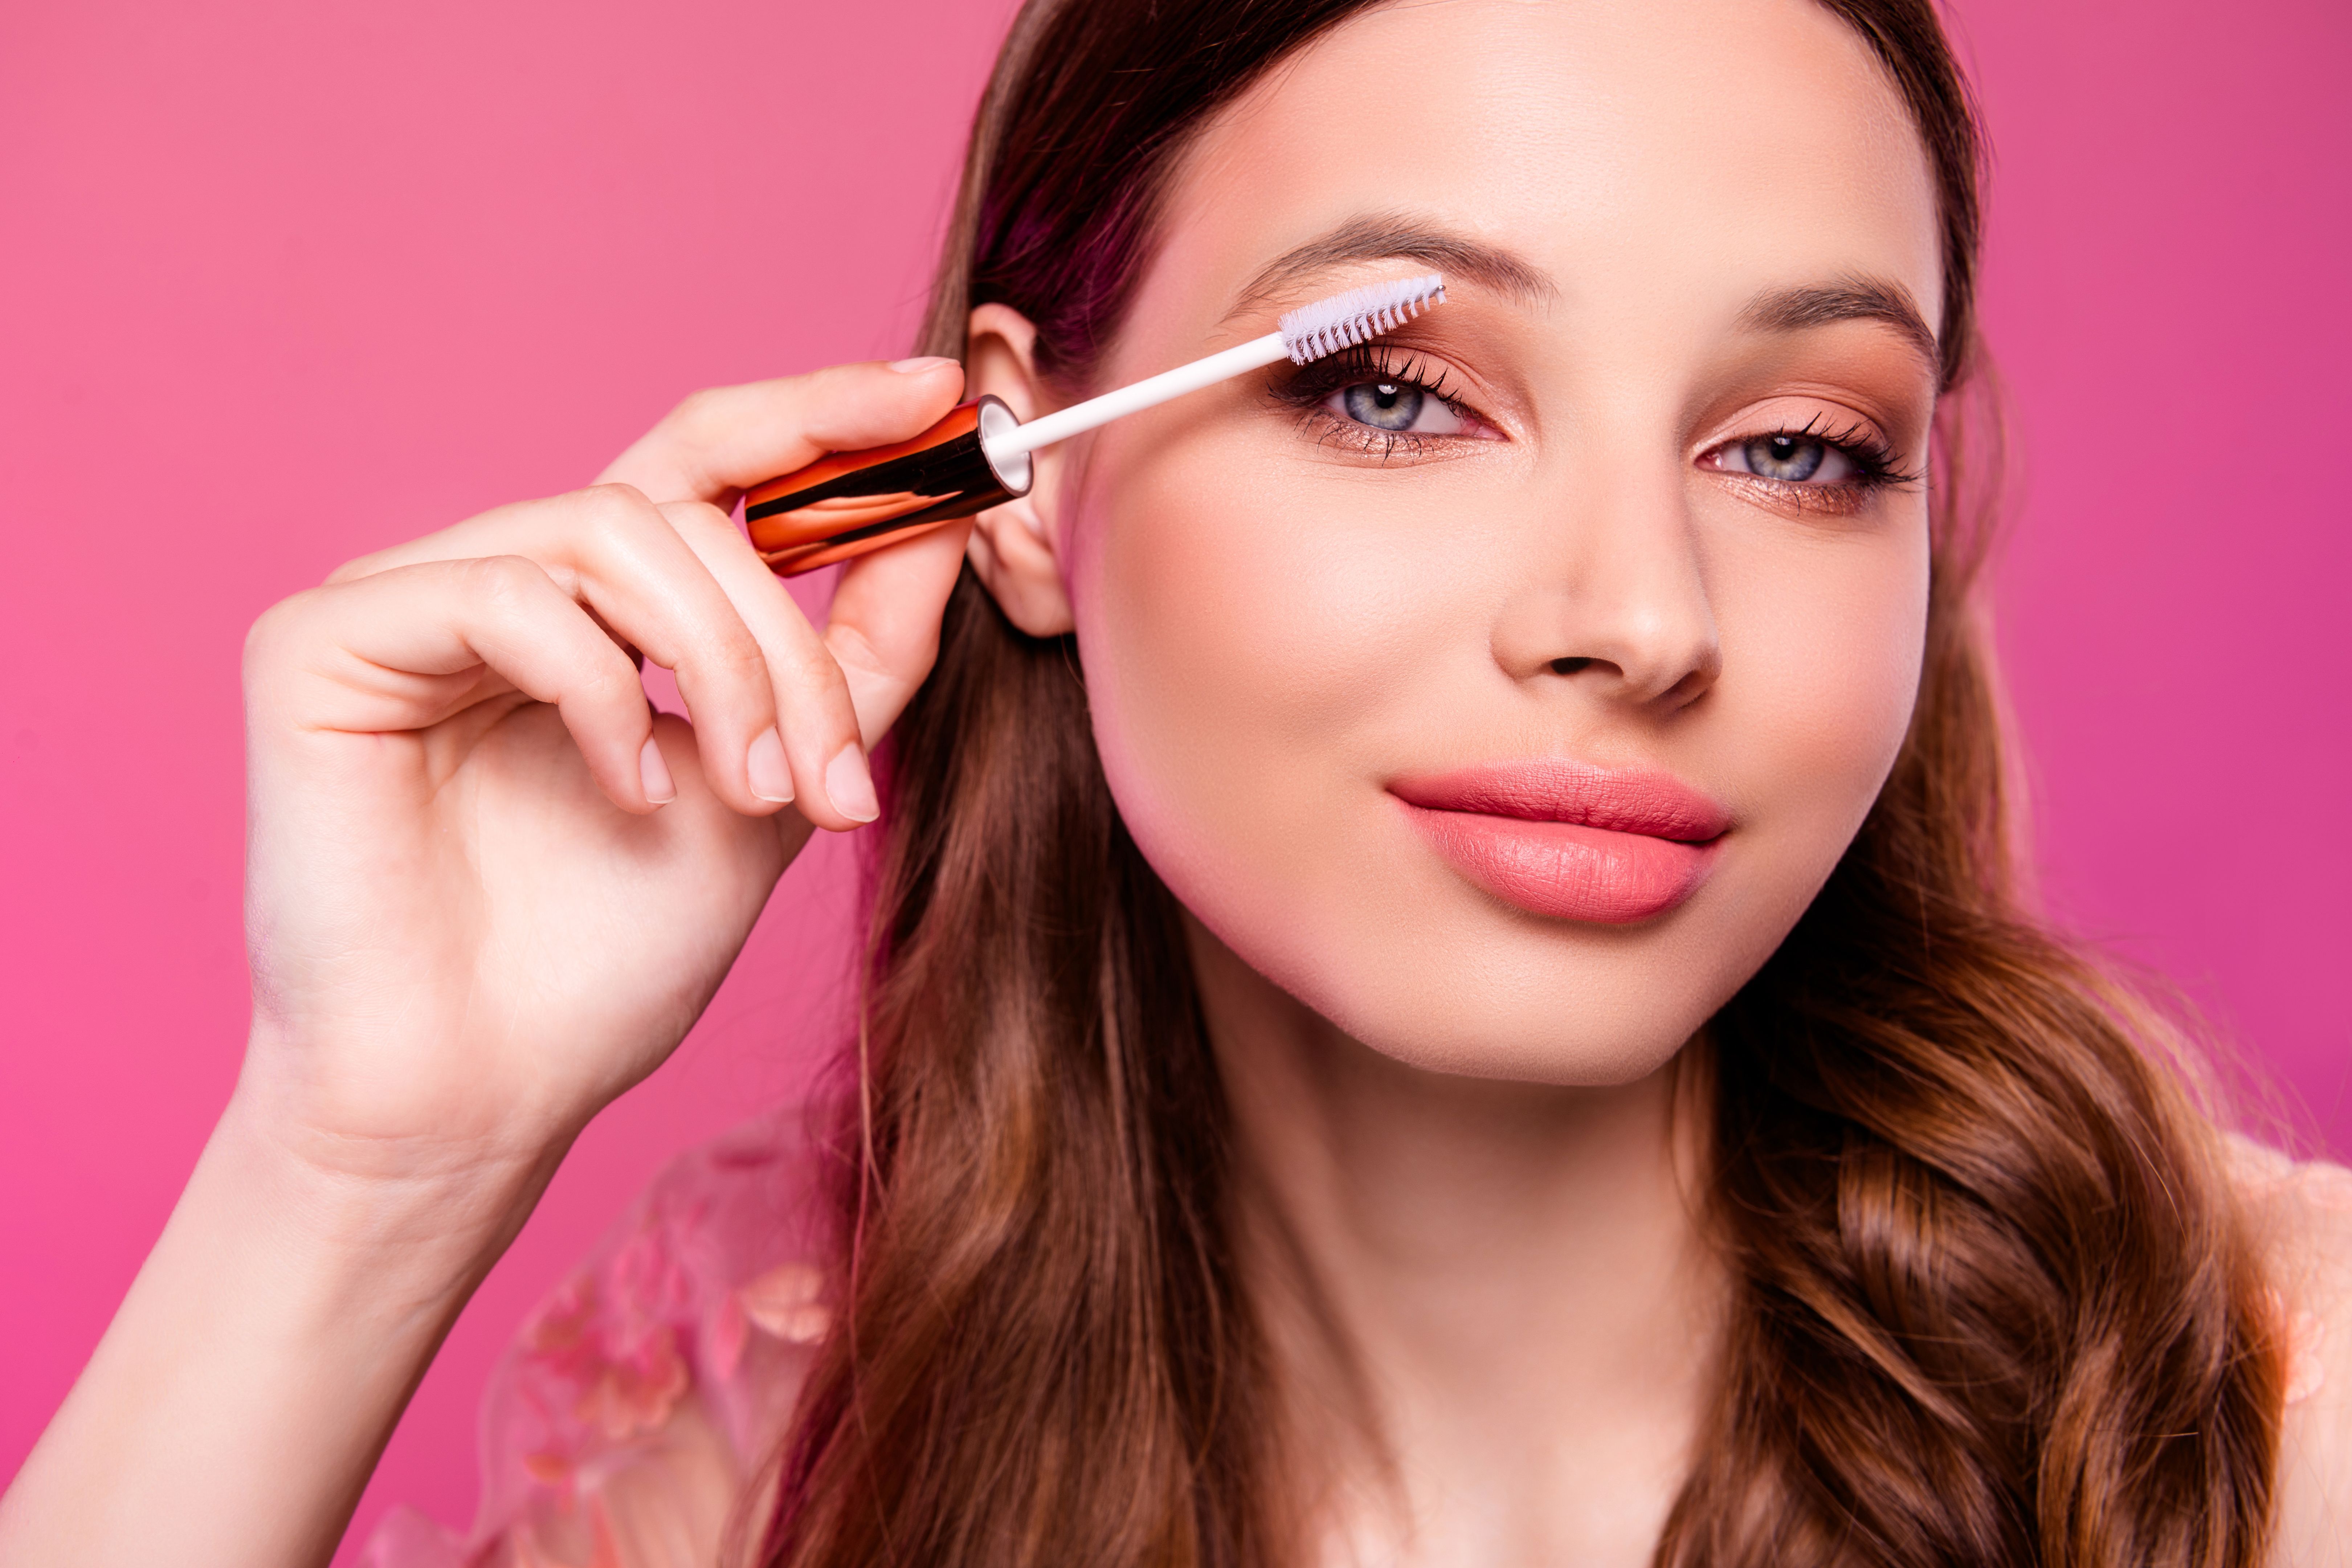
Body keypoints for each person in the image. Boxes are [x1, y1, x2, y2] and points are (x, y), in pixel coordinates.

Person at [5, 0, 2348, 1563]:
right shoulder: (750, 1432)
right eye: (1403, 391)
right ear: (1019, 479)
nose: (1644, 616)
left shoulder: (2276, 1404)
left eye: (1804, 445)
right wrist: (364, 1164)